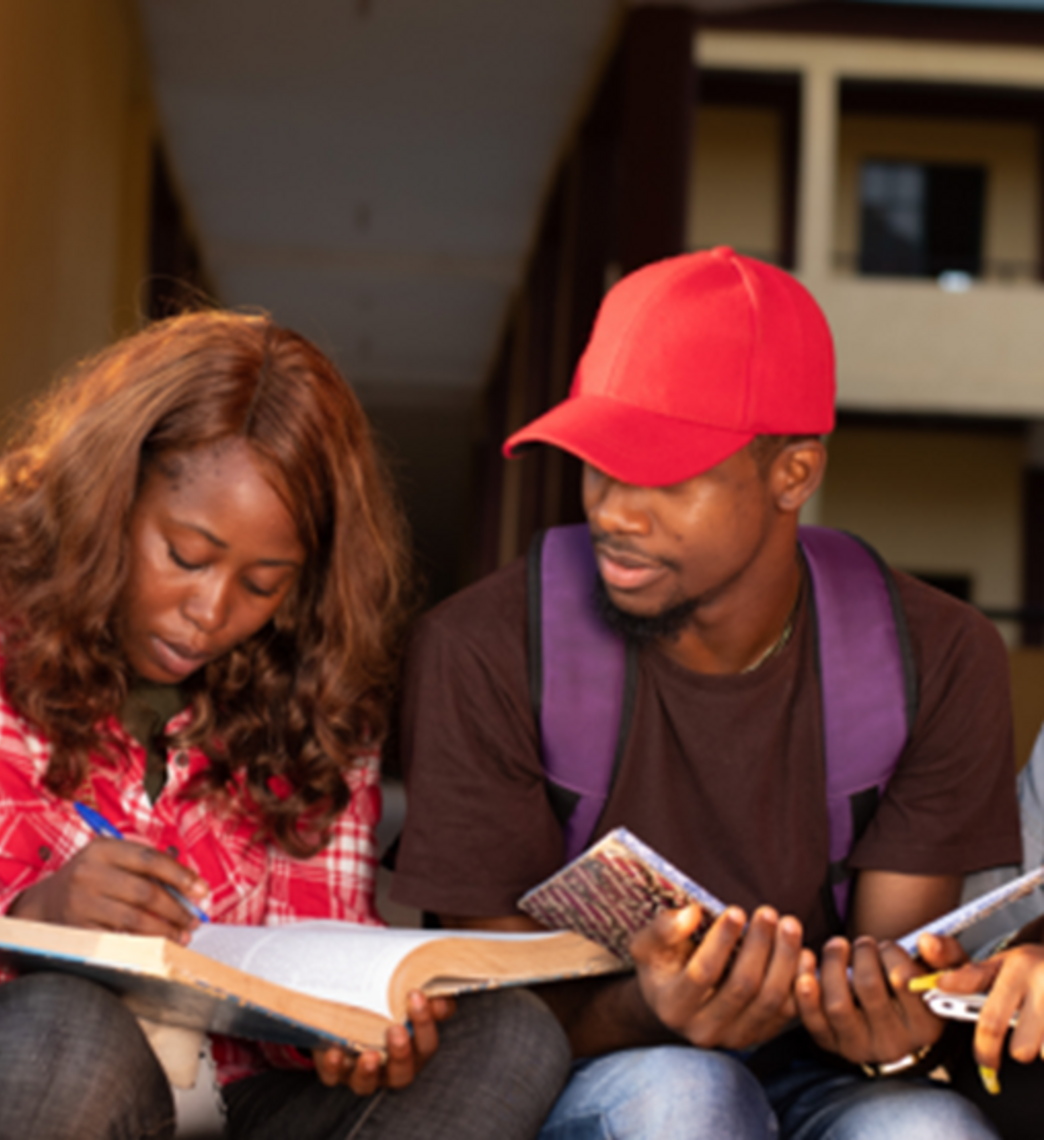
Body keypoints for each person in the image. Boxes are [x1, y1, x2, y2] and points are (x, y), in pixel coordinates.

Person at [391, 247, 1022, 1140]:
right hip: (590, 1077)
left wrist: (889, 1024)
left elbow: (892, 979)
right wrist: (650, 1012)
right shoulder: (485, 649)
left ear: (793, 474)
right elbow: (495, 1010)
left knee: (928, 1132)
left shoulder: (937, 656)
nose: (614, 510)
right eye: (596, 462)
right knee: (688, 1101)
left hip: (826, 1080)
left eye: (664, 472)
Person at [0, 311, 570, 1140]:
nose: (211, 611)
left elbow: (311, 949)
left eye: (264, 584)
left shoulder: (313, 702)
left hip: (230, 1105)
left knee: (511, 1038)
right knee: (62, 1031)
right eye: (186, 556)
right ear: (107, 496)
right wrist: (32, 922)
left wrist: (352, 1034)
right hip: (36, 1086)